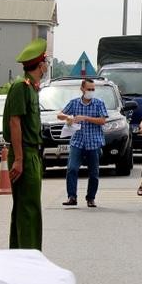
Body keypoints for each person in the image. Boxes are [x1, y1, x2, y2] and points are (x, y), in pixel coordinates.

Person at [2, 38, 49, 250]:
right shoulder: (21, 87)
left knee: (26, 208)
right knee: (27, 210)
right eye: (45, 62)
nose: (46, 66)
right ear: (40, 65)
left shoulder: (31, 88)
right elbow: (15, 122)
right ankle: (29, 259)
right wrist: (19, 159)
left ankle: (21, 257)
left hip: (31, 154)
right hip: (24, 154)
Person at [57, 78, 108, 208]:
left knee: (94, 173)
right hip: (77, 142)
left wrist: (85, 118)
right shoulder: (74, 103)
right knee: (72, 168)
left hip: (94, 142)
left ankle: (91, 198)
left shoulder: (99, 103)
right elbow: (60, 114)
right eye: (88, 89)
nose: (90, 92)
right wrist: (68, 117)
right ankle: (72, 197)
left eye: (93, 89)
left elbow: (103, 121)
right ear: (82, 89)